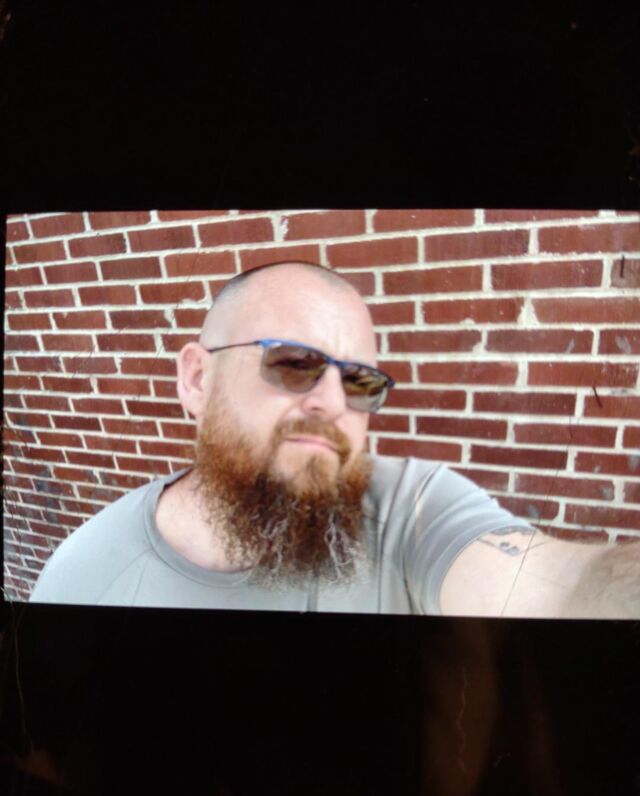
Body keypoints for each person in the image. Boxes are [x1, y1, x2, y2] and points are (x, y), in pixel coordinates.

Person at [29, 261, 639, 617]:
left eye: (360, 382)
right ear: (196, 379)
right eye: (294, 363)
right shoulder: (81, 581)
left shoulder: (411, 514)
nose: (332, 402)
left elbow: (556, 589)